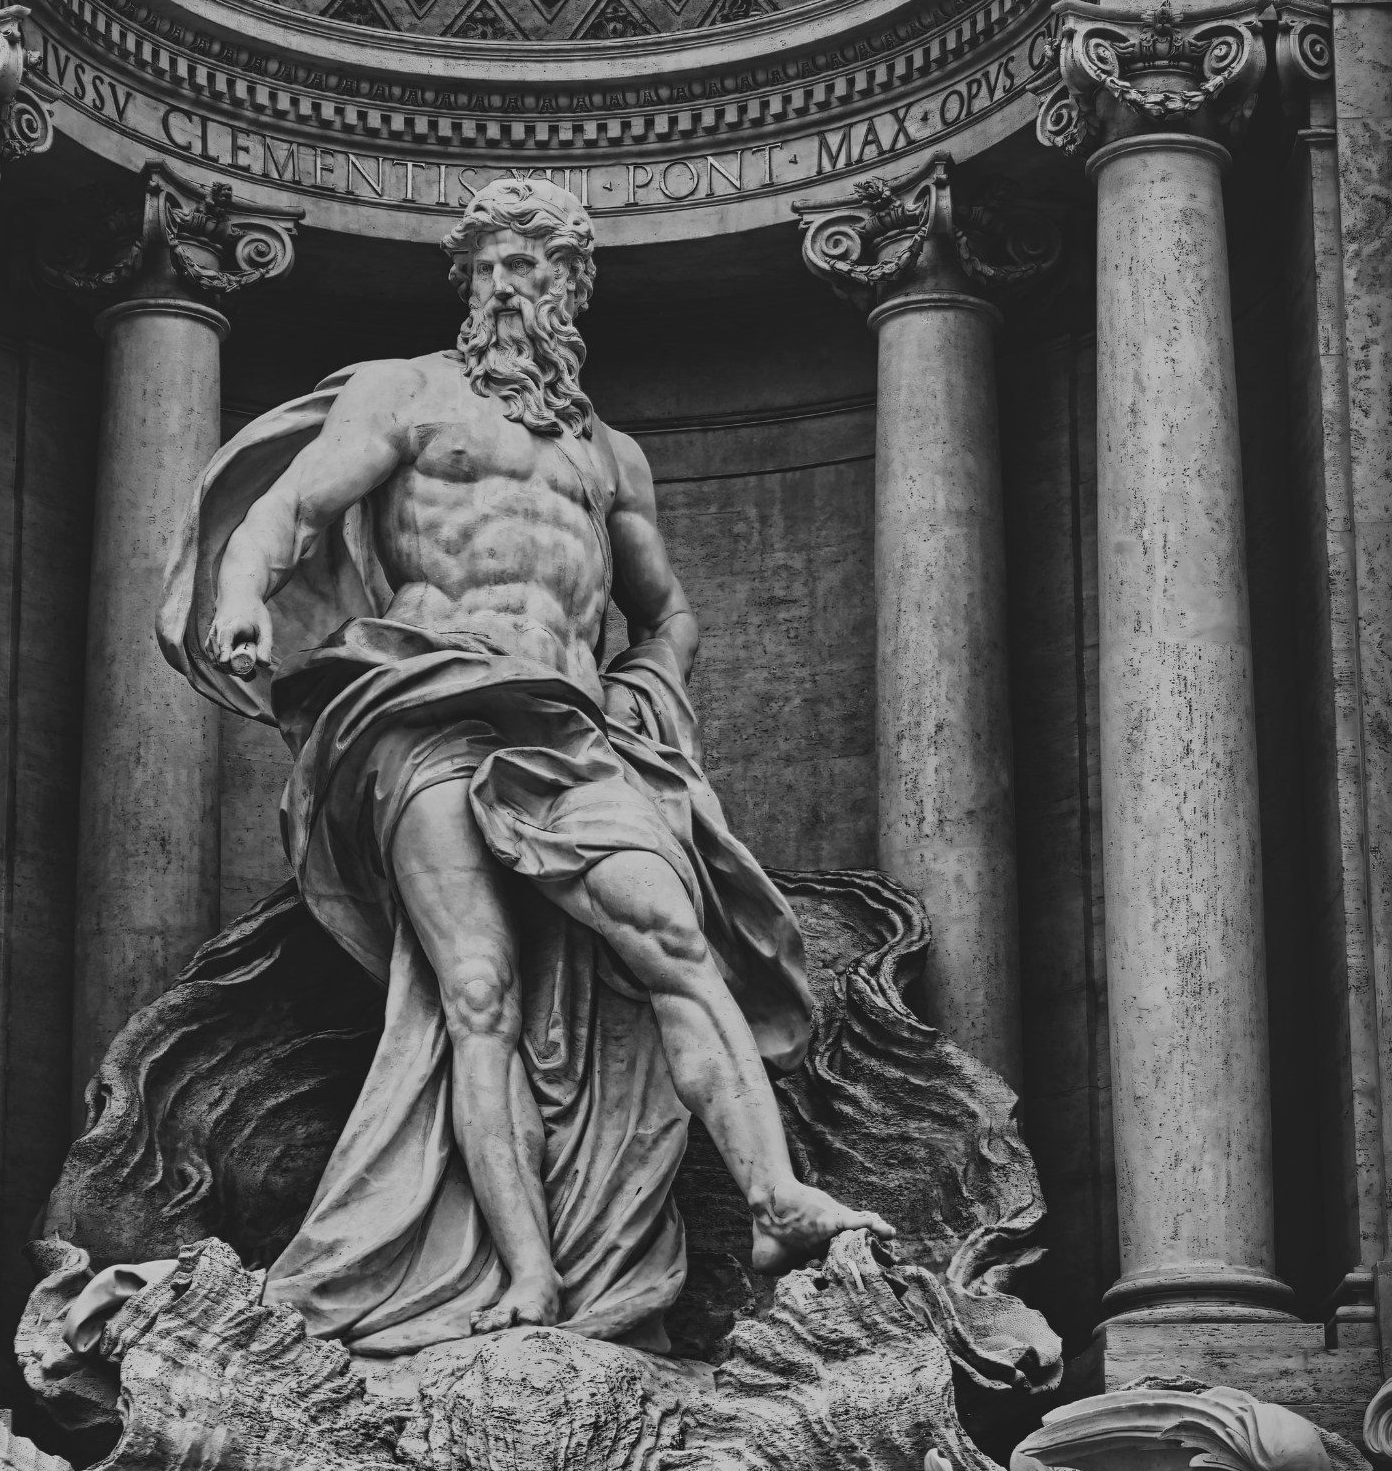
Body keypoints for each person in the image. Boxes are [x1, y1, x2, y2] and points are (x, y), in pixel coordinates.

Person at [159, 174, 884, 1354]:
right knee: (477, 994)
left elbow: (666, 613)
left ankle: (771, 1199)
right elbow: (288, 514)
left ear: (569, 286)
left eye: (527, 266)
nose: (503, 286)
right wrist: (239, 594)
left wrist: (648, 700)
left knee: (675, 940)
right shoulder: (409, 395)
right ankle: (527, 1280)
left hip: (570, 725)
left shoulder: (611, 458)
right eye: (487, 266)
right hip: (427, 704)